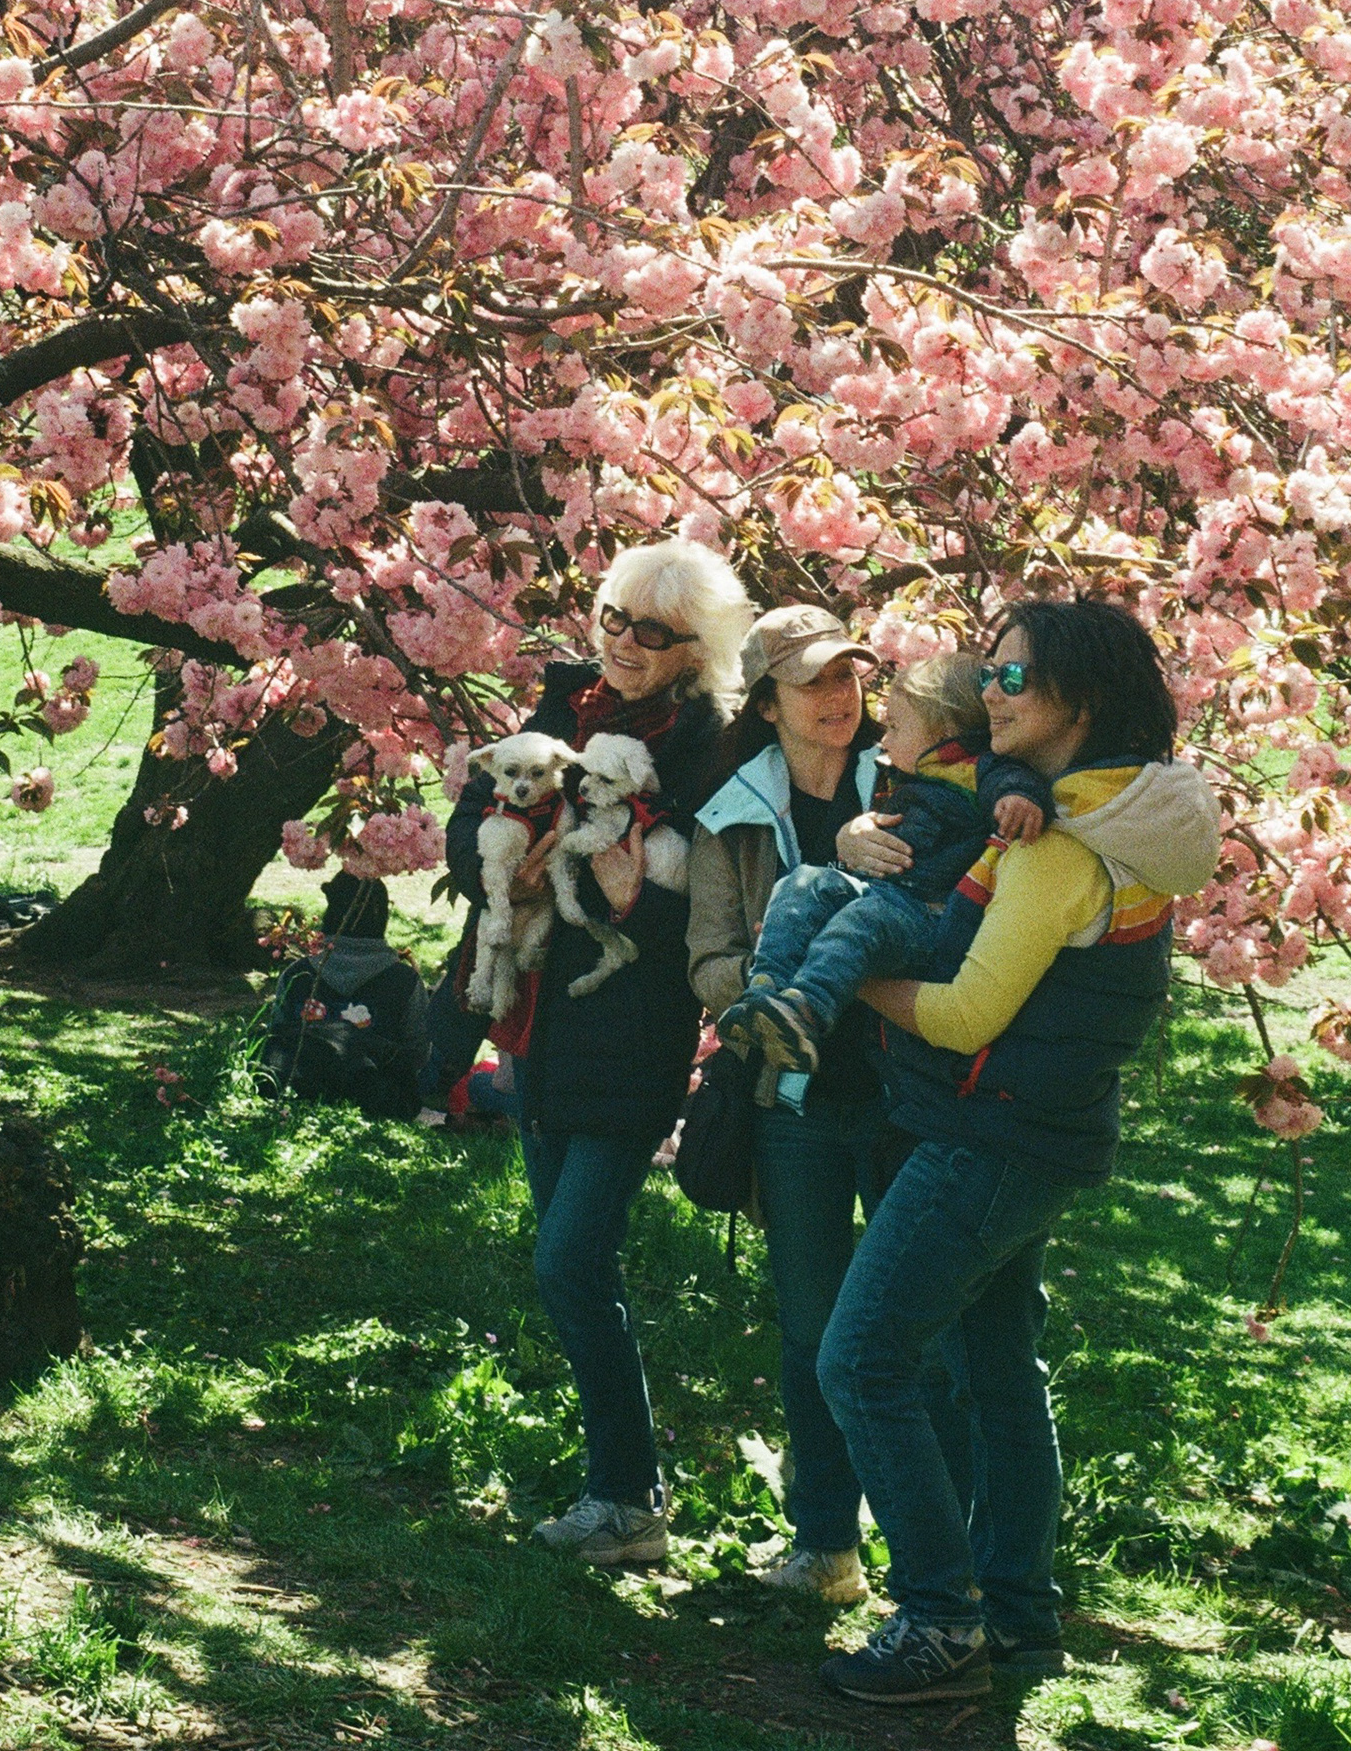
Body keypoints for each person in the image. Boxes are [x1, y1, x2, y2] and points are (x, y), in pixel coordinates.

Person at [815, 598, 1220, 1708]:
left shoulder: (1061, 852)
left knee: (861, 1360)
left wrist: (842, 976)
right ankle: (1021, 1617)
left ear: (1080, 703)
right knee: (995, 1371)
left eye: (1013, 679)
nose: (989, 693)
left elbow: (960, 1015)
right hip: (1039, 1135)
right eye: (988, 675)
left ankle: (943, 1618)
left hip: (984, 1137)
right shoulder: (1110, 820)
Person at [446, 537, 751, 1569]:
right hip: (534, 1020)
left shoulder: (711, 751)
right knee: (577, 1261)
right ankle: (624, 1491)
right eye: (613, 616)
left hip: (628, 1030)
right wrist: (515, 871)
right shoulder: (560, 705)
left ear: (693, 650)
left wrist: (624, 893)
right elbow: (463, 832)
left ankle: (626, 1495)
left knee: (570, 1256)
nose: (620, 643)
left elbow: (708, 906)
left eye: (650, 632)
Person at [688, 608, 980, 1606]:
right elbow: (708, 964)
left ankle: (945, 1557)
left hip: (910, 1094)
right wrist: (794, 939)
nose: (839, 698)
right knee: (814, 1328)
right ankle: (826, 1548)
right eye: (812, 682)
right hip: (798, 1104)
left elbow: (962, 921)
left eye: (852, 677)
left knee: (924, 1333)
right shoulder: (731, 814)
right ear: (766, 701)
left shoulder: (914, 784)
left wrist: (846, 953)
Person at [713, 650, 1050, 1080]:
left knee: (862, 921)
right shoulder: (909, 773)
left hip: (928, 915)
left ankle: (807, 1008)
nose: (884, 741)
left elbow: (1012, 778)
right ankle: (766, 987)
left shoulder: (975, 768)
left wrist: (1018, 799)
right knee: (803, 883)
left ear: (943, 732)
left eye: (894, 727)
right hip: (887, 896)